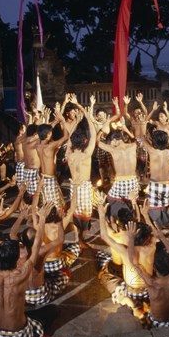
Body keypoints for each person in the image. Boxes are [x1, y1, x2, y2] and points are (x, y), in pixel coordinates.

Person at [0, 191, 51, 337]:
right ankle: (37, 333)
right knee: (52, 311)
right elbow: (37, 245)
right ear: (16, 258)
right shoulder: (21, 273)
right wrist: (42, 218)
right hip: (20, 331)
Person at [65, 101, 98, 246]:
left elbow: (68, 140)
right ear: (85, 140)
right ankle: (81, 239)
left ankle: (79, 238)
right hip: (84, 187)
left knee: (76, 214)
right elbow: (94, 134)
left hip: (74, 186)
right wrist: (84, 114)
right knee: (86, 217)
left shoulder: (69, 155)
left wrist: (74, 127)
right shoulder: (86, 154)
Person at [142, 127, 169, 226]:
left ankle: (157, 229)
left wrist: (145, 125)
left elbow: (142, 138)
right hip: (165, 185)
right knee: (166, 207)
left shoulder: (153, 151)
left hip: (154, 185)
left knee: (153, 211)